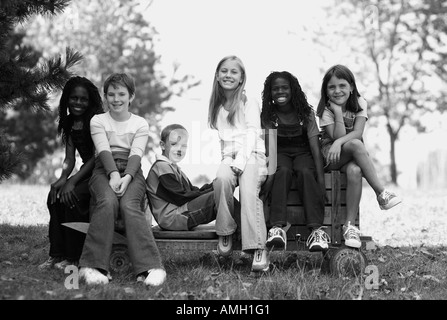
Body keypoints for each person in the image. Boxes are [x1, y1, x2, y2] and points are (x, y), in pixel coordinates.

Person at [78, 73, 166, 286]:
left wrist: (126, 178)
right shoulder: (98, 120)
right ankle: (91, 266)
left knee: (129, 205)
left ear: (131, 96)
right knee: (107, 202)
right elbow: (103, 149)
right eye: (111, 94)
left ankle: (151, 267)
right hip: (103, 169)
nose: (116, 99)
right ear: (105, 96)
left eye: (121, 94)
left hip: (132, 170)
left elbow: (136, 153)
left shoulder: (140, 123)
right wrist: (113, 175)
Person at [316, 64, 402, 248]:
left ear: (352, 87)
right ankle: (381, 192)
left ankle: (349, 227)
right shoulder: (325, 110)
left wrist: (340, 142)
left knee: (355, 171)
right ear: (326, 90)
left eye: (342, 86)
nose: (337, 91)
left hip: (348, 155)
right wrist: (338, 112)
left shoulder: (361, 103)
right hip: (330, 156)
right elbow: (337, 137)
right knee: (356, 144)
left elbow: (358, 132)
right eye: (332, 87)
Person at [208, 55, 269, 272]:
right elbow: (225, 142)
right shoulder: (217, 106)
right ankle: (225, 231)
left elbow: (253, 131)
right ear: (217, 75)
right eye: (224, 71)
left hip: (252, 154)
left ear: (242, 77)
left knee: (248, 189)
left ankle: (259, 247)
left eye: (234, 72)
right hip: (230, 156)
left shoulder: (248, 100)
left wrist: (242, 160)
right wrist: (229, 161)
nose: (228, 75)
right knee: (221, 179)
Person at [260, 71, 330, 252]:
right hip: (280, 152)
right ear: (269, 92)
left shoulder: (305, 113)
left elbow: (315, 148)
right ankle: (277, 228)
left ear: (293, 90)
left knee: (305, 172)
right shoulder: (269, 115)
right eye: (275, 89)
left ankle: (316, 230)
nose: (280, 92)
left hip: (303, 152)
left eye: (284, 87)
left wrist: (321, 182)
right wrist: (269, 178)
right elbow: (271, 150)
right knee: (281, 171)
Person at [39, 76, 104, 270]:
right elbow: (70, 158)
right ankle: (56, 255)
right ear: (66, 99)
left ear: (90, 101)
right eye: (74, 98)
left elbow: (96, 157)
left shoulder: (96, 121)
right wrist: (62, 179)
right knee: (55, 197)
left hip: (100, 171)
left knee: (72, 197)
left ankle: (74, 257)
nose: (78, 102)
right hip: (85, 172)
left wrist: (73, 182)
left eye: (83, 99)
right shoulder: (68, 122)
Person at [146, 124, 217, 231]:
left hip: (180, 213)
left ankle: (243, 231)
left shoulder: (175, 168)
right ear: (163, 145)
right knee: (219, 195)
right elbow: (182, 197)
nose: (179, 149)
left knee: (223, 193)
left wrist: (214, 185)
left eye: (183, 146)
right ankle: (244, 233)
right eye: (174, 144)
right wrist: (214, 189)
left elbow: (193, 191)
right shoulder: (161, 167)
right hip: (172, 218)